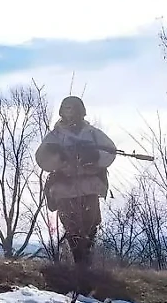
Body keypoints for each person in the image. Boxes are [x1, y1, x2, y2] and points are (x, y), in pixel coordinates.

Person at [34, 95, 117, 267]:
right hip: (65, 187)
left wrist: (94, 157)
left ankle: (85, 263)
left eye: (74, 109)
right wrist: (60, 159)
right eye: (68, 109)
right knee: (71, 228)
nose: (71, 113)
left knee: (91, 225)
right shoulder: (55, 136)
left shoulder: (93, 134)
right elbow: (42, 159)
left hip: (90, 185)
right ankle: (79, 264)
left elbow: (110, 151)